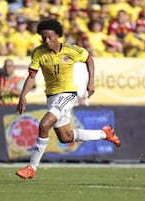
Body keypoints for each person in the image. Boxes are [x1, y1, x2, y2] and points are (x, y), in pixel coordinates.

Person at [15, 19, 121, 179]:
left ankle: (31, 168)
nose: (47, 41)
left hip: (68, 94)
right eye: (43, 38)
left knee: (44, 125)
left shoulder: (71, 50)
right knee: (65, 137)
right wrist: (23, 95)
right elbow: (31, 76)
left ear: (57, 35)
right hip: (52, 97)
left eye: (49, 37)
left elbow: (89, 59)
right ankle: (104, 133)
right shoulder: (38, 53)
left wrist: (91, 82)